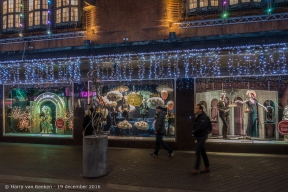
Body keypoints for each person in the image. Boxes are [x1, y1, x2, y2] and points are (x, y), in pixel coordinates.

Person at [189, 104, 210, 174]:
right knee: (203, 152)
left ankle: (196, 168)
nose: (196, 109)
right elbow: (194, 124)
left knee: (197, 151)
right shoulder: (197, 116)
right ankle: (207, 167)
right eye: (195, 108)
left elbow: (201, 127)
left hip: (202, 136)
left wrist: (194, 131)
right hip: (199, 136)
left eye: (197, 108)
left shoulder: (204, 117)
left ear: (200, 109)